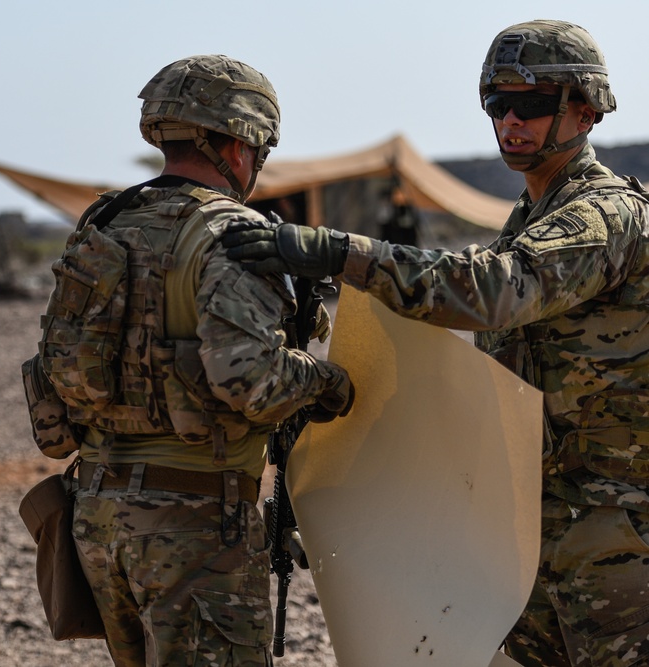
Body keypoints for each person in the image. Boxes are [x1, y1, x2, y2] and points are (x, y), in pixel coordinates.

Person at [221, 20, 649, 667]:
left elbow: (494, 290)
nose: (510, 120)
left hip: (617, 533)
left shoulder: (603, 214)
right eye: (496, 104)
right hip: (531, 532)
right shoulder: (528, 222)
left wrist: (342, 253)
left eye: (531, 104)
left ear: (585, 109)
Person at [46, 54, 354, 666]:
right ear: (238, 143)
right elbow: (250, 379)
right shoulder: (232, 233)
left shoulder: (105, 220)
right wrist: (329, 383)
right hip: (193, 524)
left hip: (97, 516)